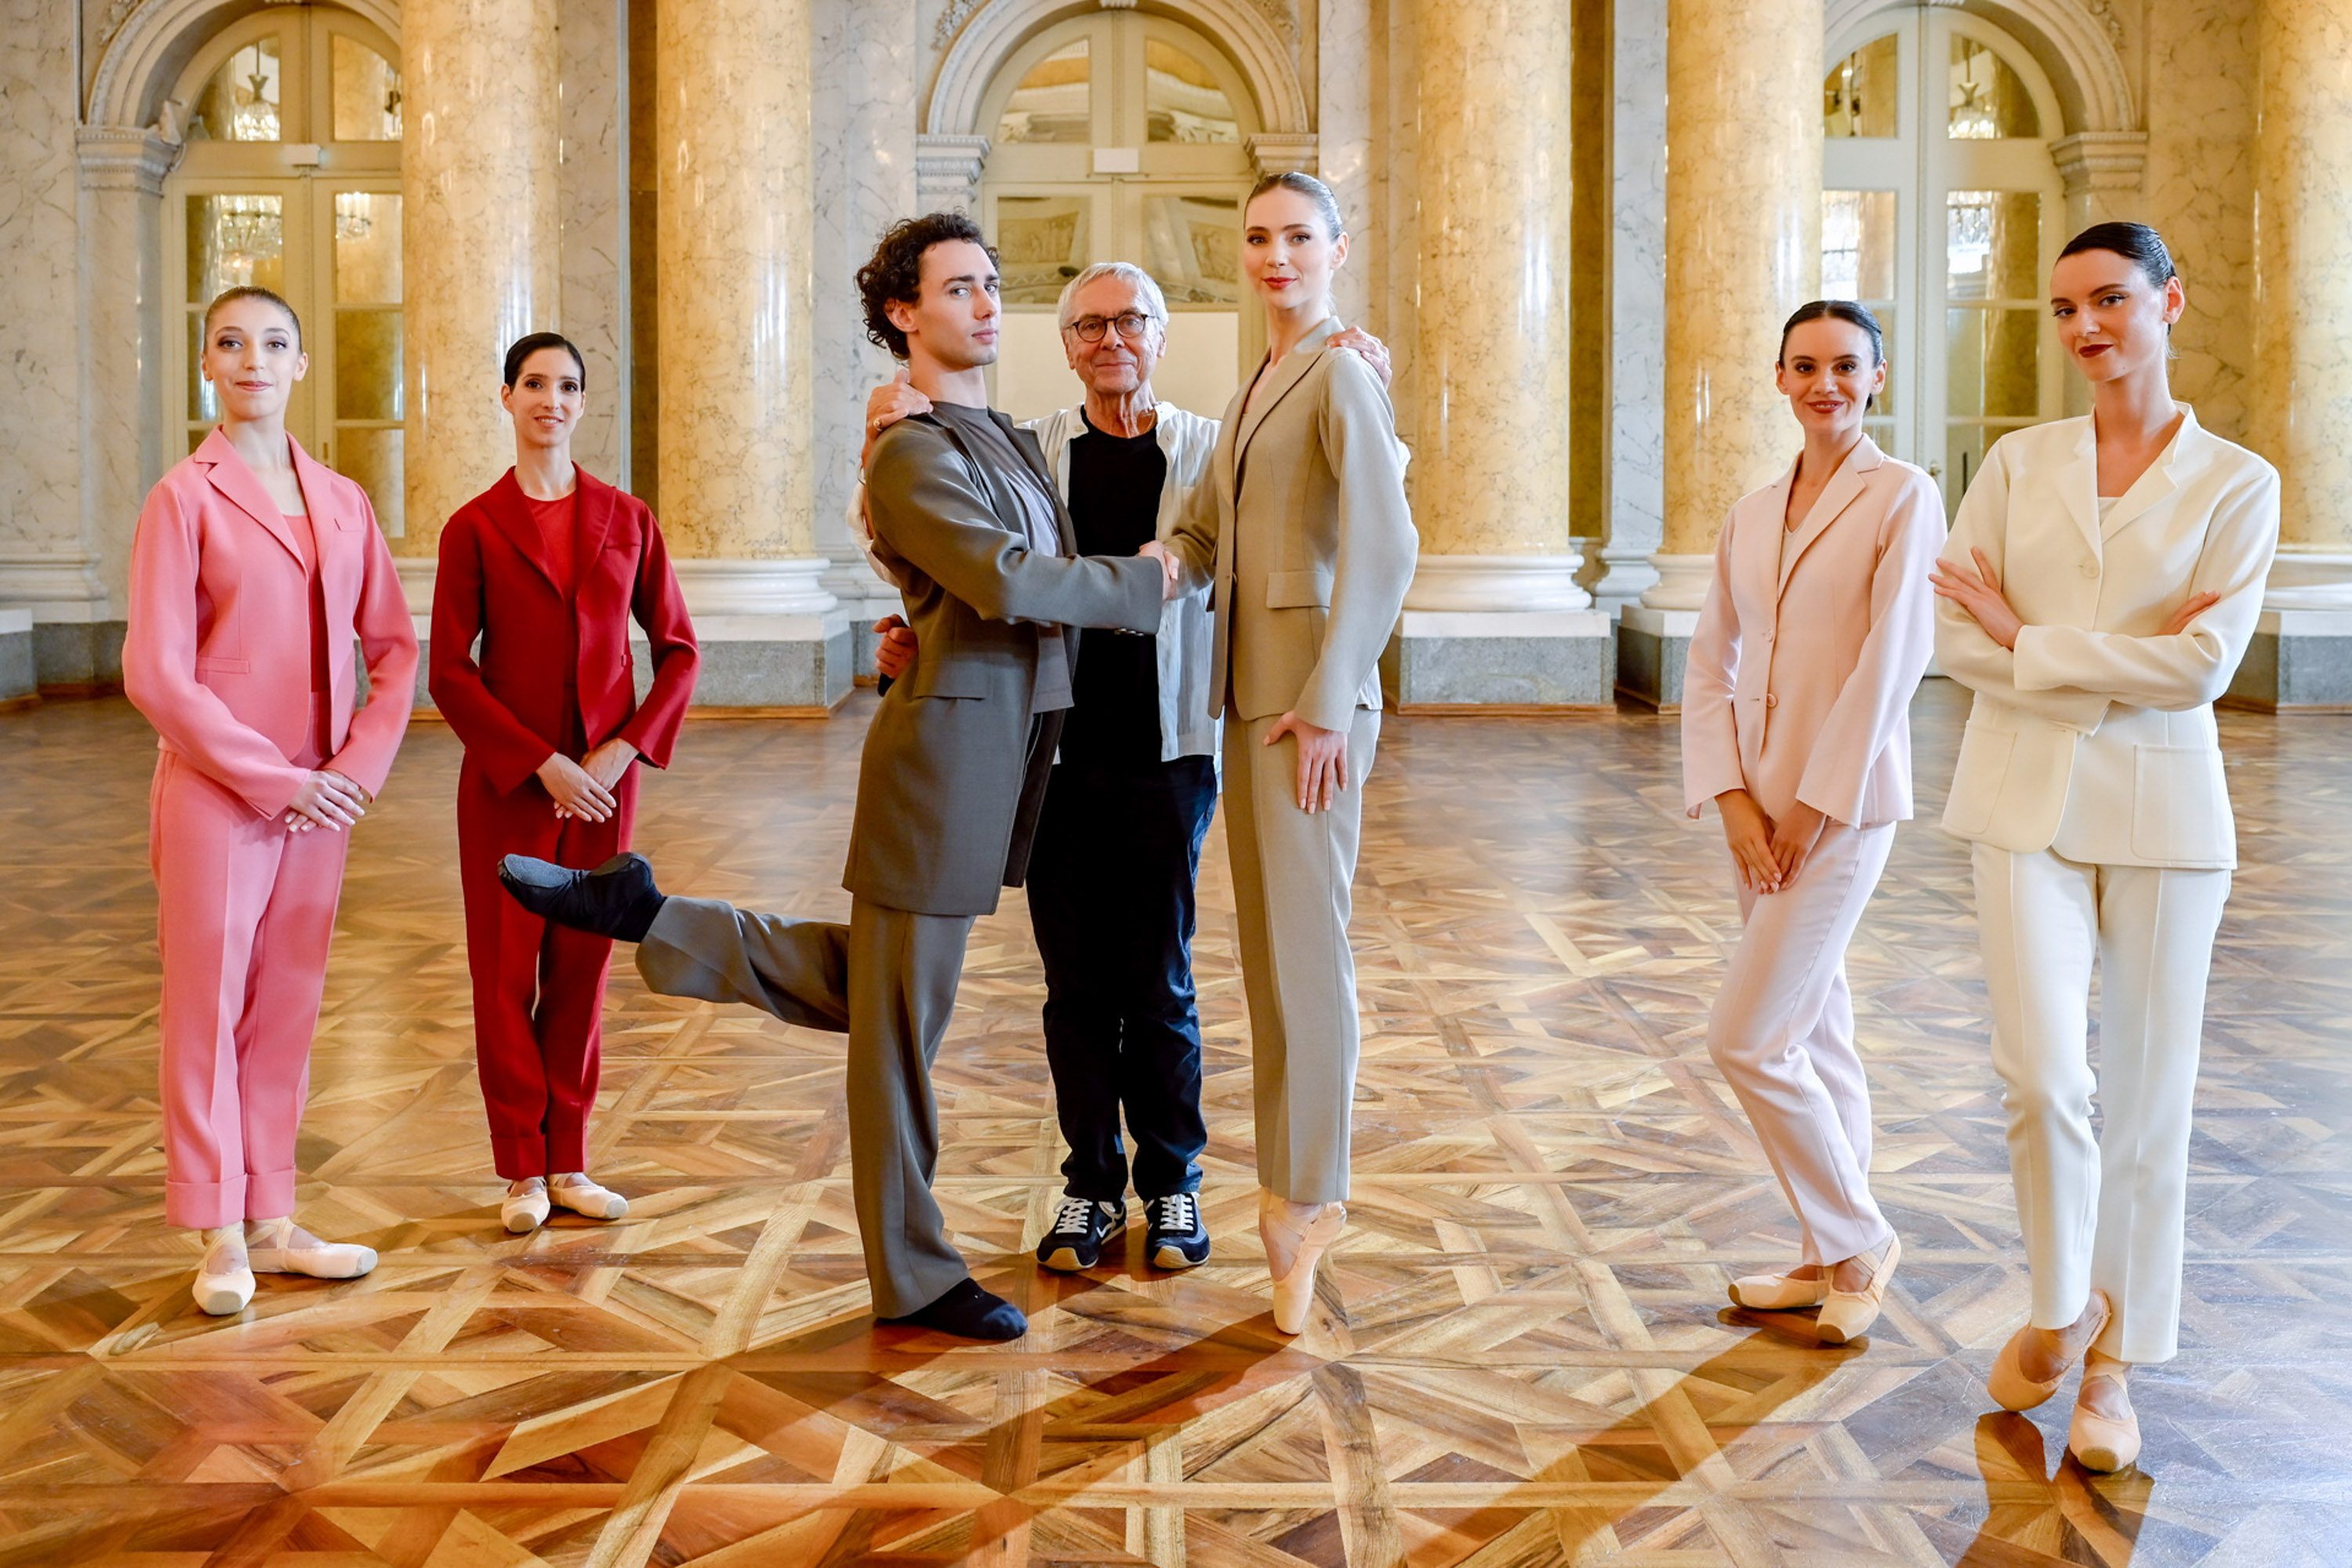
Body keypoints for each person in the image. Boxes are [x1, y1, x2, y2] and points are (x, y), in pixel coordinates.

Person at [499, 212, 1171, 1341]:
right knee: (899, 1031)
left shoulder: (995, 434)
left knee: (885, 994)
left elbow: (978, 585)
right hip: (941, 765)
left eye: (993, 285)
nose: (986, 304)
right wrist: (1149, 581)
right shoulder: (909, 453)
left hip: (998, 756)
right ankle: (914, 1276)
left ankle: (650, 912)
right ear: (904, 313)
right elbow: (1008, 582)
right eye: (959, 289)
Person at [859, 264, 1394, 1278]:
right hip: (1050, 756)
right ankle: (1090, 1188)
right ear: (1066, 344)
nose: (1113, 339)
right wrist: (885, 455)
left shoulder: (1210, 447)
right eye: (1091, 324)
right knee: (1072, 988)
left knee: (1158, 981)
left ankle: (1175, 1185)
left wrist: (1368, 383)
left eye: (1132, 320)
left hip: (1170, 755)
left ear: (1158, 333)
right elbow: (936, 548)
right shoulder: (1033, 449)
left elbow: (1335, 495)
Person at [1932, 221, 2279, 1471]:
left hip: (2169, 821)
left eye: (2112, 301)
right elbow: (1949, 635)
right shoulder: (2019, 465)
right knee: (2038, 1078)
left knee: (2147, 1100)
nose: (2086, 328)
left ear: (2169, 302)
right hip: (2019, 802)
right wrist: (2085, 657)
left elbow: (2205, 670)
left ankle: (2115, 1366)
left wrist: (2025, 635)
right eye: (2065, 308)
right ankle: (2059, 1304)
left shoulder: (2239, 483)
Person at [123, 285, 418, 1315]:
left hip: (321, 802)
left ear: (302, 365)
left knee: (285, 1005)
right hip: (218, 791)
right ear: (208, 364)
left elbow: (394, 651)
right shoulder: (182, 497)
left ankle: (274, 1218)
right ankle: (216, 1232)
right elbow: (155, 673)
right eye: (231, 342)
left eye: (275, 343)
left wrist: (352, 773)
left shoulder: (342, 500)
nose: (253, 358)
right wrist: (273, 776)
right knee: (208, 1007)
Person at [1156, 171, 1416, 1334]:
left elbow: (1388, 540)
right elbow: (1209, 531)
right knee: (1269, 955)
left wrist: (1326, 698)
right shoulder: (1264, 373)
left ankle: (1310, 1197)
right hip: (1254, 704)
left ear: (1336, 247)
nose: (1276, 256)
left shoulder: (1341, 368)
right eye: (1258, 237)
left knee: (1307, 957)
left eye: (1298, 237)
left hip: (1304, 711)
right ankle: (1292, 1185)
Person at [1681, 299, 1944, 1344]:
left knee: (1746, 1037)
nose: (1823, 383)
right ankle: (1820, 1251)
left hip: (1844, 808)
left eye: (1844, 366)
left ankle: (1857, 1239)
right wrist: (1737, 801)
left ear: (1876, 378)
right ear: (1780, 379)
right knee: (1815, 1028)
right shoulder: (1750, 512)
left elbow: (1895, 662)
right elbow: (1711, 662)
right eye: (1805, 365)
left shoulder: (1904, 495)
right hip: (1755, 808)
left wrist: (1813, 809)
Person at [430, 332, 699, 1233]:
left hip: (604, 784)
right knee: (505, 973)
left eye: (569, 384)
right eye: (534, 383)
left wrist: (623, 750)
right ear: (505, 397)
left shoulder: (628, 518)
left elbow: (679, 651)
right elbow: (448, 671)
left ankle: (570, 1159)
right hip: (510, 783)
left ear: (585, 403)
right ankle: (520, 1171)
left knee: (581, 970)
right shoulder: (472, 525)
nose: (552, 398)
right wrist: (538, 760)